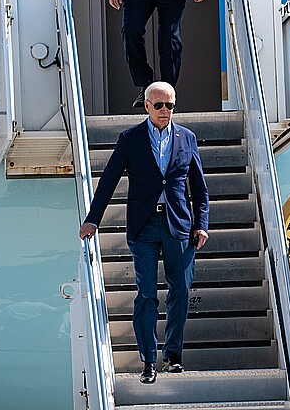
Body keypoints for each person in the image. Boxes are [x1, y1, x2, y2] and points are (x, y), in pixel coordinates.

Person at [79, 81, 209, 383]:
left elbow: (199, 188)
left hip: (179, 226)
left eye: (171, 105)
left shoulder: (187, 138)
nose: (166, 111)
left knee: (181, 290)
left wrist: (201, 224)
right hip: (144, 225)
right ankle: (149, 361)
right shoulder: (131, 138)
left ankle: (173, 357)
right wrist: (93, 219)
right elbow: (109, 180)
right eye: (160, 105)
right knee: (147, 295)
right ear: (147, 105)